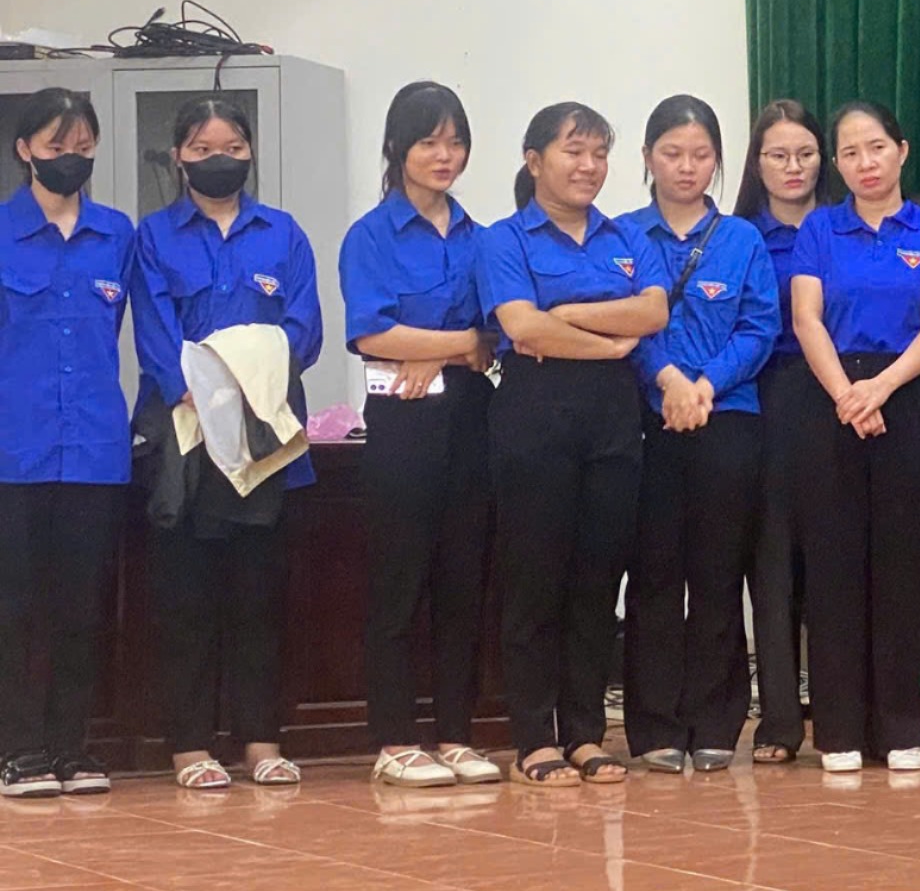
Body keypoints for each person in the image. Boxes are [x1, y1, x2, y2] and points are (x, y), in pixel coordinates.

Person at [133, 97, 323, 791]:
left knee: (258, 597)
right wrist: (202, 387)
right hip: (185, 439)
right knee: (186, 601)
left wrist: (249, 385)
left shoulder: (284, 233)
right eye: (205, 147)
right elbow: (155, 334)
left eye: (234, 147)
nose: (220, 158)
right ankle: (189, 744)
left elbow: (304, 326)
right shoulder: (153, 236)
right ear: (179, 156)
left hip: (266, 437)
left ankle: (260, 740)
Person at [478, 102, 670, 787]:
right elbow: (524, 329)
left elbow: (653, 310)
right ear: (534, 162)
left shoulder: (625, 236)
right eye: (573, 152)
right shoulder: (504, 239)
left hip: (613, 420)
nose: (588, 166)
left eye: (598, 153)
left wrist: (572, 315)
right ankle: (534, 737)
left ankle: (586, 734)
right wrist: (606, 341)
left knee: (596, 581)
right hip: (535, 413)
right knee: (536, 579)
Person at [785, 100, 920, 775]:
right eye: (851, 152)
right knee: (833, 570)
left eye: (877, 147)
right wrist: (847, 396)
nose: (865, 162)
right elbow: (807, 318)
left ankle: (900, 724)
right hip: (832, 398)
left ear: (902, 150)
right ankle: (838, 731)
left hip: (906, 397)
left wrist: (880, 389)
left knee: (903, 567)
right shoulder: (819, 231)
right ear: (838, 163)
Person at [343, 81, 499, 789]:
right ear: (397, 148)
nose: (445, 155)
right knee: (400, 577)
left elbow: (497, 336)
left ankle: (456, 733)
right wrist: (454, 342)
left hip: (470, 410)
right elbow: (372, 332)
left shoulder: (481, 236)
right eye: (429, 140)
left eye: (455, 140)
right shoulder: (371, 235)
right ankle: (394, 737)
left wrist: (440, 348)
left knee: (463, 575)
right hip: (401, 414)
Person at [619, 95, 779, 775]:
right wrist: (668, 383)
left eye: (701, 155)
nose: (687, 167)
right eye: (672, 153)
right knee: (655, 576)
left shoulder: (742, 239)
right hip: (647, 425)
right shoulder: (623, 236)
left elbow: (760, 327)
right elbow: (623, 326)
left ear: (718, 162)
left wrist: (704, 384)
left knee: (718, 576)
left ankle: (715, 722)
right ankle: (654, 725)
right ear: (649, 158)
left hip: (727, 420)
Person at [0, 89, 138, 799]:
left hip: (93, 448)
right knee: (17, 605)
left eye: (83, 146)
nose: (71, 159)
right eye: (57, 147)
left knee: (83, 606)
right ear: (25, 149)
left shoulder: (117, 235)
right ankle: (19, 748)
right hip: (14, 451)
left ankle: (72, 747)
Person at [735, 99, 826, 765]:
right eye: (777, 155)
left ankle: (840, 707)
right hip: (765, 396)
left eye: (804, 153)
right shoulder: (739, 236)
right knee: (770, 564)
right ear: (756, 163)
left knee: (834, 563)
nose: (792, 167)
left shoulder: (848, 227)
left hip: (843, 398)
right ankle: (779, 721)